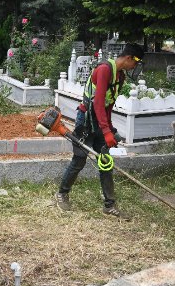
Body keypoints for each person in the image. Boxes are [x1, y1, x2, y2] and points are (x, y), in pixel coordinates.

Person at [55, 43, 144, 218]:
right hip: (86, 120)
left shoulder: (119, 76)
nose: (135, 67)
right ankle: (62, 193)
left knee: (105, 161)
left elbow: (108, 105)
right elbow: (97, 103)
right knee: (79, 160)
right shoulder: (104, 70)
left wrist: (109, 128)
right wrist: (106, 130)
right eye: (136, 62)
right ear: (129, 58)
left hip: (101, 119)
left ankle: (109, 205)